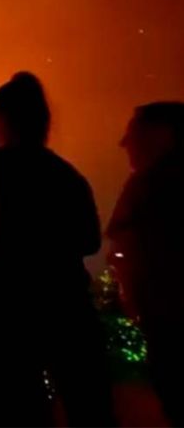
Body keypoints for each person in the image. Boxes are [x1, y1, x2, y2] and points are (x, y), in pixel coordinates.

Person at [0, 72, 116, 426]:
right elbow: (90, 240)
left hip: (8, 307)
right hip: (67, 303)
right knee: (88, 404)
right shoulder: (66, 175)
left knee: (20, 407)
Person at [106, 101, 184, 426]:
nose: (124, 144)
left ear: (162, 135)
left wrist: (134, 295)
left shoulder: (148, 187)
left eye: (133, 134)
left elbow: (123, 242)